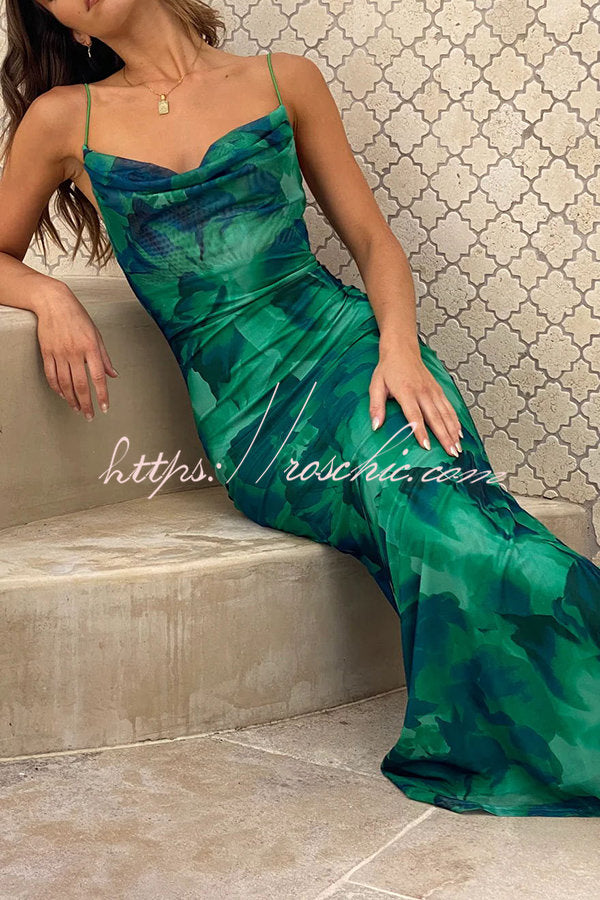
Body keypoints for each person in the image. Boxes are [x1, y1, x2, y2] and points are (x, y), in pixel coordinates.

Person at [1, 0, 599, 818]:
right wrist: (48, 295)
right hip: (256, 424)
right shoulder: (64, 119)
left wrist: (399, 350)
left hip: (356, 354)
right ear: (69, 28)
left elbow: (373, 241)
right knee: (445, 526)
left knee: (454, 522)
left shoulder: (284, 80)